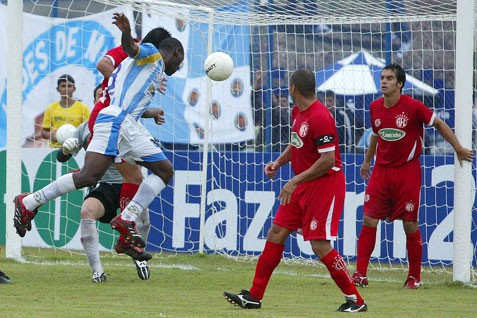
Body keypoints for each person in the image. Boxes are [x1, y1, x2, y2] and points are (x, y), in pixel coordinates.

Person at [13, 13, 184, 251]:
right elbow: (132, 49)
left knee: (165, 170)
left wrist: (151, 111)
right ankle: (30, 201)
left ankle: (126, 219)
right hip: (113, 121)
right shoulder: (151, 54)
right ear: (175, 52)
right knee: (89, 176)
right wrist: (125, 32)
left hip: (128, 125)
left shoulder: (150, 72)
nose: (179, 67)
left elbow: (131, 97)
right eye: (180, 61)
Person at [224, 69, 367, 313]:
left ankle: (356, 300)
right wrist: (278, 163)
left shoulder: (320, 116)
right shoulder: (298, 111)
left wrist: (294, 180)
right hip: (302, 185)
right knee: (276, 232)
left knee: (320, 245)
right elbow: (296, 144)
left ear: (293, 89)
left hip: (325, 186)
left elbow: (328, 160)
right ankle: (254, 296)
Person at [352, 63, 473, 289]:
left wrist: (457, 147)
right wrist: (368, 160)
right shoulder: (375, 107)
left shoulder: (414, 107)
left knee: (409, 224)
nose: (384, 81)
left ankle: (414, 276)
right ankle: (360, 274)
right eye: (382, 77)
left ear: (399, 84)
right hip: (381, 171)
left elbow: (438, 124)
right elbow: (376, 136)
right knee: (369, 219)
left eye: (389, 78)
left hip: (407, 172)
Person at [58, 121, 152, 282]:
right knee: (86, 211)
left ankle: (139, 256)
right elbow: (61, 158)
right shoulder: (85, 128)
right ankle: (97, 271)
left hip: (131, 183)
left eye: (105, 94)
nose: (103, 98)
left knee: (143, 222)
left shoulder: (130, 124)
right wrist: (65, 150)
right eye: (98, 96)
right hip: (105, 185)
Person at [42, 74, 90, 148]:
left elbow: (88, 131)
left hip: (76, 149)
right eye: (63, 86)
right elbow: (44, 132)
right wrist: (50, 135)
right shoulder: (51, 108)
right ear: (57, 89)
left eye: (69, 86)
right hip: (55, 149)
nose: (66, 89)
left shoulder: (83, 108)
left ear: (74, 88)